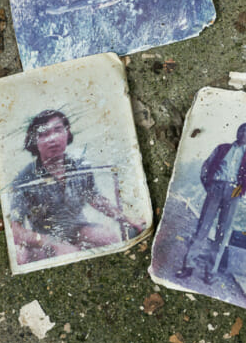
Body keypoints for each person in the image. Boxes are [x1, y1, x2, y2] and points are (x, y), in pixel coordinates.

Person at [8, 109, 144, 265]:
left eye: (58, 130)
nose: (52, 138)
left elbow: (95, 199)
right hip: (45, 238)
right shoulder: (24, 179)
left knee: (108, 236)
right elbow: (15, 231)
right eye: (44, 134)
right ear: (34, 141)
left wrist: (127, 219)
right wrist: (53, 243)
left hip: (78, 230)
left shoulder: (80, 166)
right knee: (21, 255)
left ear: (67, 133)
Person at [177, 122, 246, 284]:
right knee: (202, 228)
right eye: (241, 129)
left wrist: (240, 191)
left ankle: (210, 273)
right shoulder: (222, 148)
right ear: (237, 131)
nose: (243, 133)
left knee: (223, 232)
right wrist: (209, 185)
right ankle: (188, 266)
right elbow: (206, 166)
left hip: (233, 194)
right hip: (216, 188)